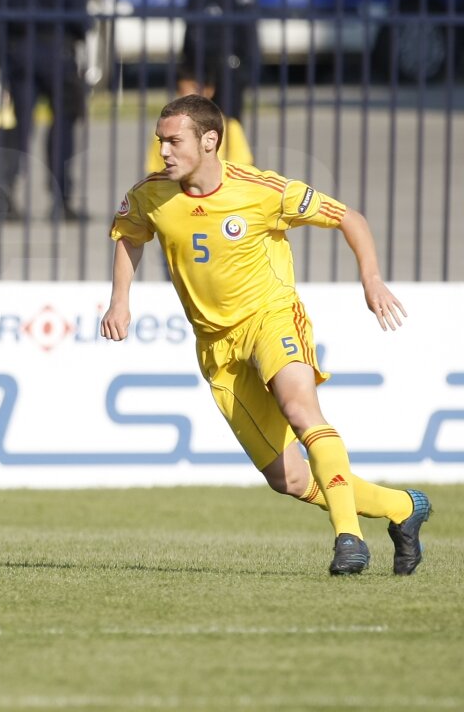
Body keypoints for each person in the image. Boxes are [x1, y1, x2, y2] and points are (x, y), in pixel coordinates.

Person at [100, 94, 431, 576]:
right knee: (289, 479)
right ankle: (403, 507)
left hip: (271, 317)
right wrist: (119, 300)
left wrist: (372, 279)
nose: (163, 151)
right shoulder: (151, 195)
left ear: (210, 141)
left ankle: (349, 538)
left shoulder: (261, 189)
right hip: (216, 345)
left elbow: (349, 218)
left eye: (173, 141)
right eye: (160, 141)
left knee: (301, 409)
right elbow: (130, 235)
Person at [0, 0, 91, 220]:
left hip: (21, 55)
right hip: (58, 55)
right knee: (62, 128)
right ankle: (60, 200)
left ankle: (4, 195)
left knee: (19, 128)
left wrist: (2, 57)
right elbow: (81, 21)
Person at [178, 0, 257, 128]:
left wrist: (246, 75)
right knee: (201, 132)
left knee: (229, 129)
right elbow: (189, 41)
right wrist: (186, 76)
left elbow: (248, 39)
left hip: (229, 73)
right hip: (201, 76)